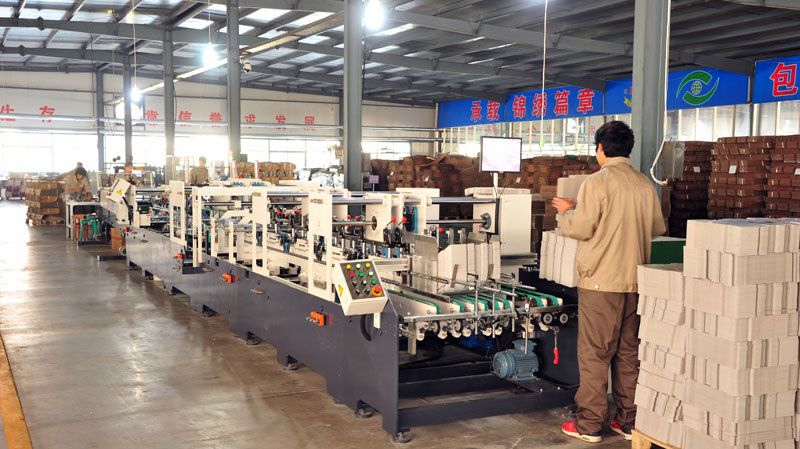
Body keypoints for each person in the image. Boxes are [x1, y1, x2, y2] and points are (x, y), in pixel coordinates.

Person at [552, 121, 665, 443]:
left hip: (601, 282)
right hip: (636, 281)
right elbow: (657, 227)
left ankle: (589, 424)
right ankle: (628, 422)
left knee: (595, 355)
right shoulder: (644, 185)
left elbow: (581, 229)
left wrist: (567, 212)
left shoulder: (596, 182)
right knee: (629, 354)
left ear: (600, 148)